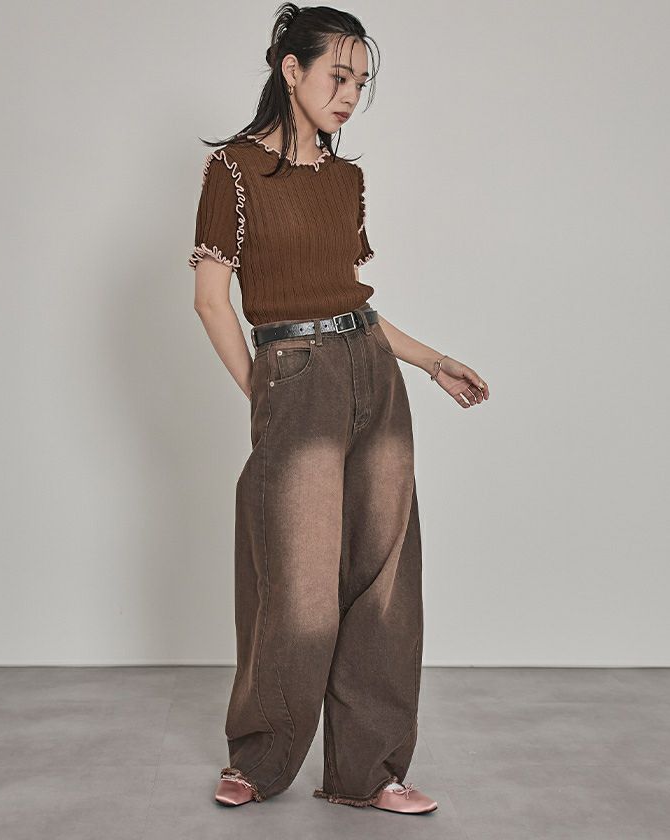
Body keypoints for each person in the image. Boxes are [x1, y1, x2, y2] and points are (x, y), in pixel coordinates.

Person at [189, 2, 489, 817]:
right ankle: (259, 760)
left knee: (384, 577)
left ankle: (370, 771)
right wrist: (264, 389)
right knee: (296, 581)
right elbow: (212, 301)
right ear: (292, 70)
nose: (351, 94)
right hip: (294, 373)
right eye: (339, 75)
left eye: (362, 82)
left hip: (373, 373)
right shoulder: (233, 171)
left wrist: (431, 361)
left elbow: (349, 301)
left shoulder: (347, 179)